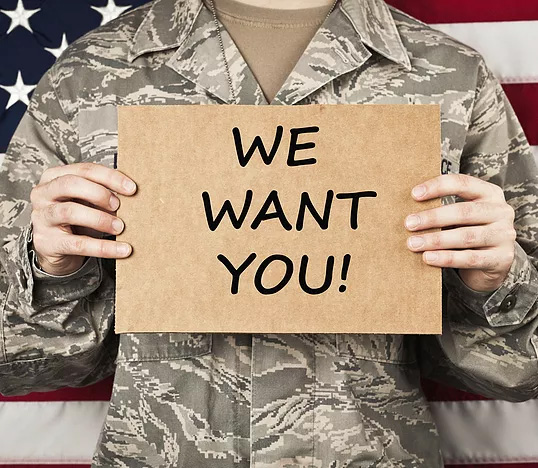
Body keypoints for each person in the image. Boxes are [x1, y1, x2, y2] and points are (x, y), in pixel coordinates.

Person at [0, 0, 537, 465]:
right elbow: (20, 366)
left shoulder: (451, 75)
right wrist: (50, 269)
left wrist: (494, 282)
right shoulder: (90, 74)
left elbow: (521, 372)